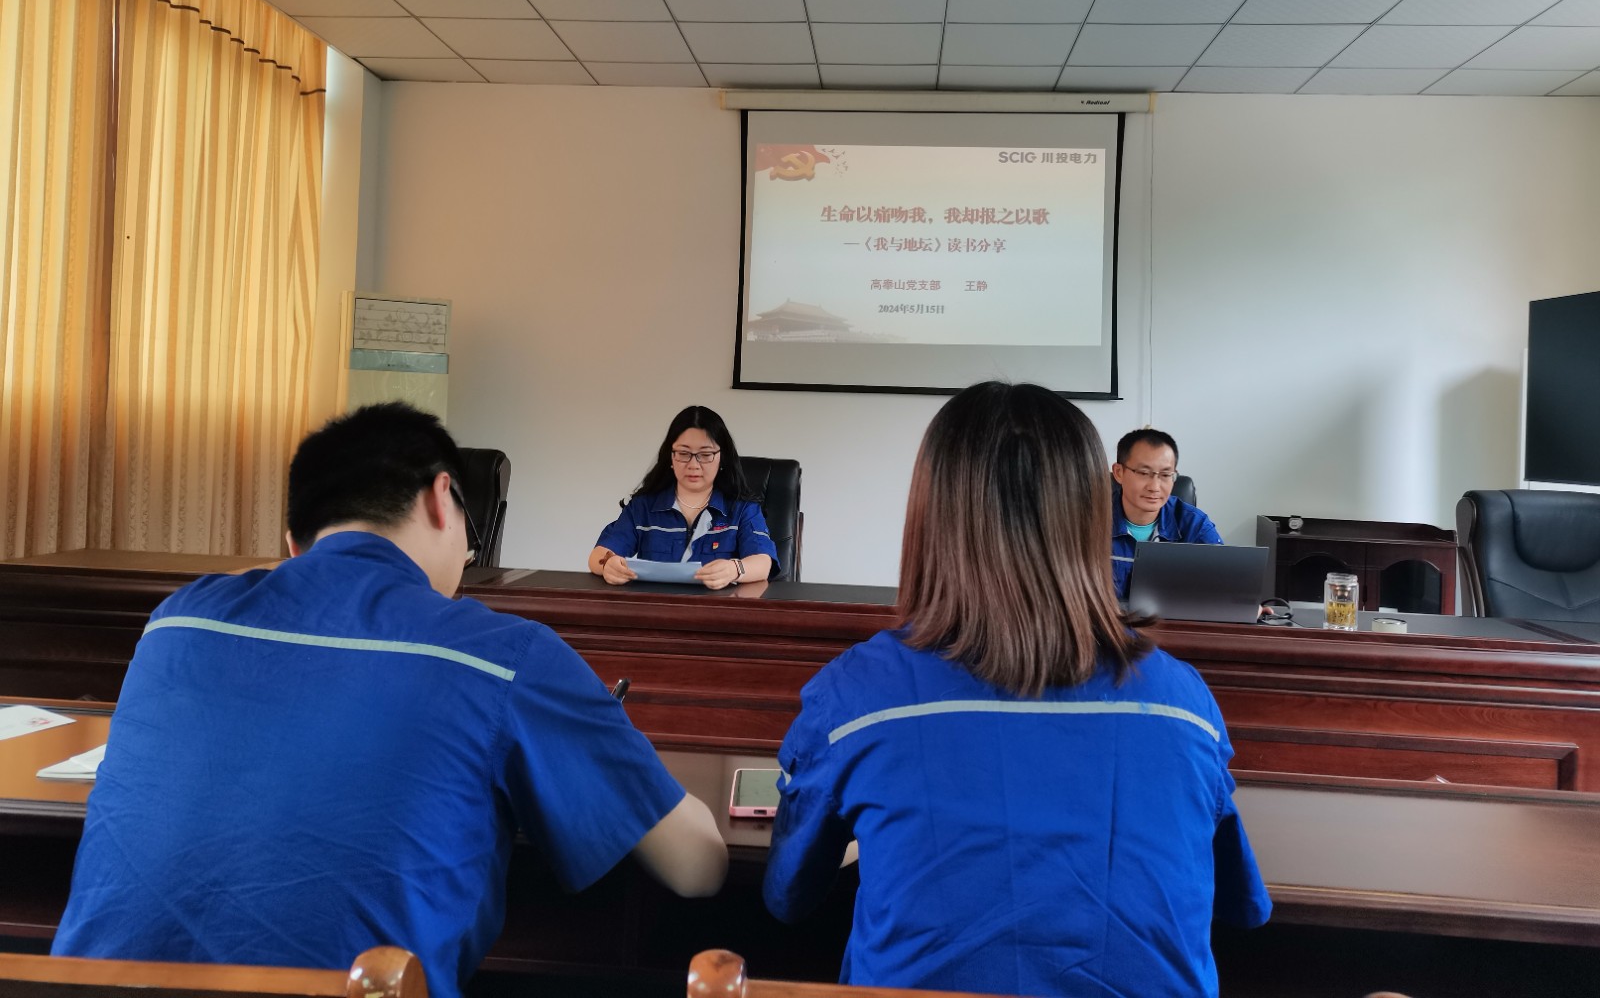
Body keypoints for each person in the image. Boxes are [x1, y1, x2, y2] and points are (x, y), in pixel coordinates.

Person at [53, 402, 727, 998]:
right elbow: (695, 867)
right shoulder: (501, 651)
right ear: (441, 497)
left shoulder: (177, 621)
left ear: (295, 543)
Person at [763, 382, 1269, 998]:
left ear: (931, 513)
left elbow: (788, 894)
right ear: (1091, 508)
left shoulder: (856, 698)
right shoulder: (1182, 702)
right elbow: (1243, 907)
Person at [589, 405, 778, 589]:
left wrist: (734, 569)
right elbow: (599, 554)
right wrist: (608, 565)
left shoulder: (742, 509)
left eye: (705, 454)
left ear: (722, 458)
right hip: (657, 606)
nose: (693, 465)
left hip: (718, 607)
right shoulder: (643, 507)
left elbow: (763, 562)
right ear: (670, 457)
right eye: (683, 453)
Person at [1111, 426, 1222, 602]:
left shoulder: (1194, 524)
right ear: (1119, 473)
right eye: (1144, 473)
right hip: (1105, 619)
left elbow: (1223, 584)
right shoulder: (1088, 521)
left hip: (1173, 620)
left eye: (1165, 475)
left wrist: (1245, 605)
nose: (1154, 487)